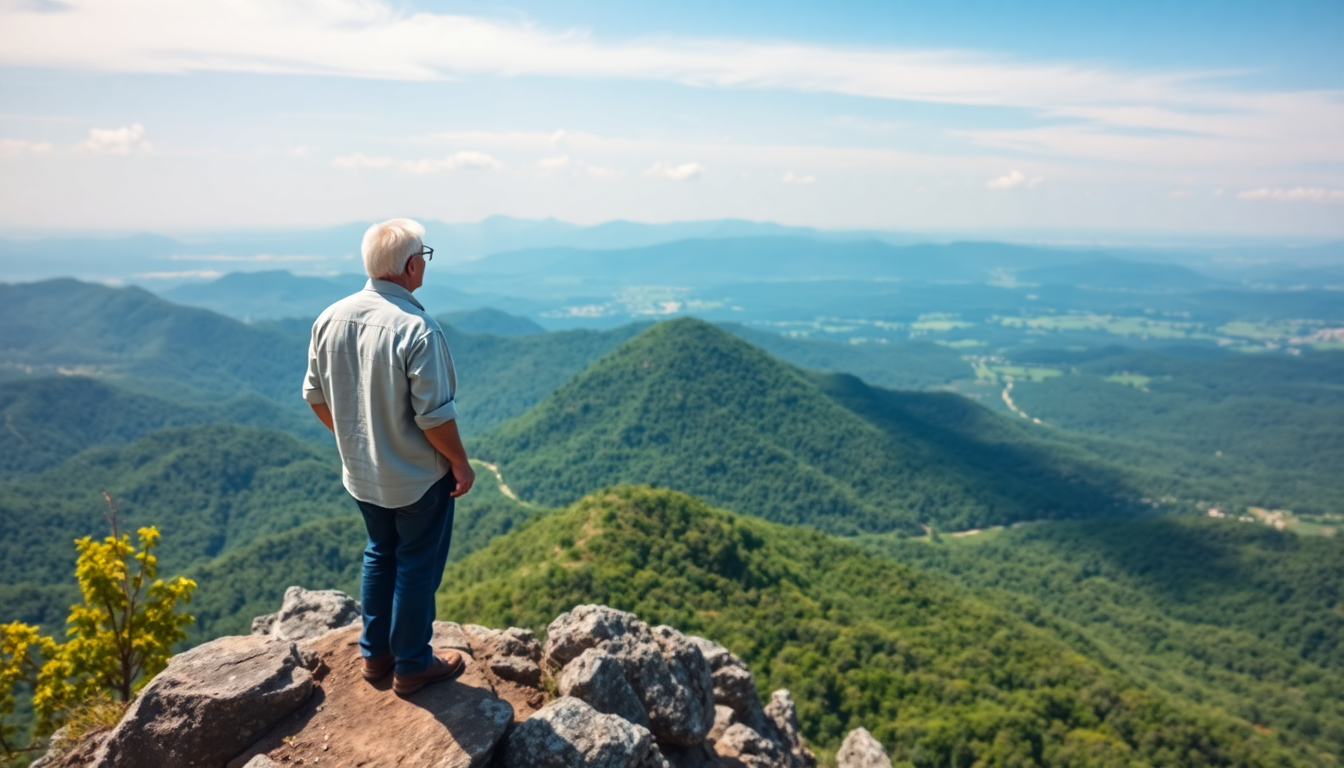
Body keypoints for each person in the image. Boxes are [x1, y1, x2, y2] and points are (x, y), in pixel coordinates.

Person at [302, 218, 476, 696]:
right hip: (418, 478)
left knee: (380, 553)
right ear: (411, 265)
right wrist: (460, 463)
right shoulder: (418, 329)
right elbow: (435, 418)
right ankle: (413, 664)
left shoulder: (330, 318)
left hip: (361, 475)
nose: (425, 264)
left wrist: (359, 438)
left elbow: (315, 396)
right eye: (425, 256)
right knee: (417, 564)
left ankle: (375, 656)